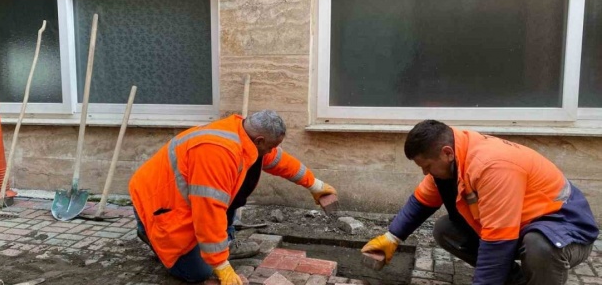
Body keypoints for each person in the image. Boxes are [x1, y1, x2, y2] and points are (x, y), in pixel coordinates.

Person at [362, 120, 599, 285]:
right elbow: (421, 203)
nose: (425, 173)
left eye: (427, 166)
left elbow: (497, 241)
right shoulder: (454, 158)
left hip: (565, 229)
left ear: (447, 153)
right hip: (519, 227)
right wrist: (391, 238)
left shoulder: (492, 166)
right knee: (445, 229)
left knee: (539, 246)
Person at [129, 110, 337, 284]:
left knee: (230, 197)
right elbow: (208, 213)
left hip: (185, 198)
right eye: (271, 147)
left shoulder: (244, 134)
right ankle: (150, 233)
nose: (272, 151)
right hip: (157, 202)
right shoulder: (216, 154)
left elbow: (280, 161)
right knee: (199, 272)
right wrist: (222, 266)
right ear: (260, 140)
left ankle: (221, 245)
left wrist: (315, 185)